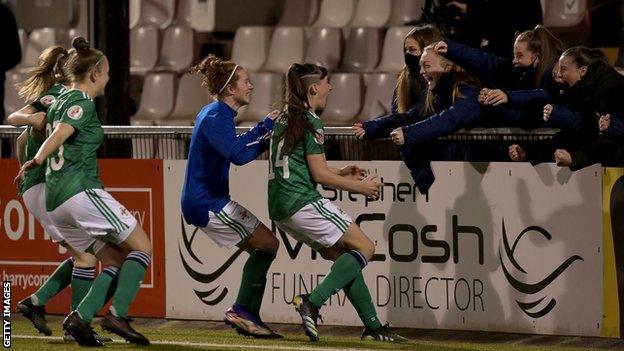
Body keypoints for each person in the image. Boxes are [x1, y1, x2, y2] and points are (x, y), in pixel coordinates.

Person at [17, 37, 152, 346]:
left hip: (56, 200)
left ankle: (80, 318)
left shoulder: (57, 100)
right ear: (94, 74)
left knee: (112, 260)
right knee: (142, 246)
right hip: (78, 190)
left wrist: (29, 159)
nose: (108, 78)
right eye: (106, 72)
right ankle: (117, 314)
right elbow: (63, 132)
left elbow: (28, 135)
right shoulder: (79, 102)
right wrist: (37, 159)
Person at [268, 63, 407, 343]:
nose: (330, 88)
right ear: (313, 88)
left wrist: (341, 173)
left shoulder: (284, 118)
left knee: (345, 258)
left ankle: (373, 326)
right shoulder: (311, 121)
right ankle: (312, 301)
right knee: (366, 247)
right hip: (301, 200)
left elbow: (306, 168)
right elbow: (319, 175)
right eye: (327, 82)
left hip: (281, 207)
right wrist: (361, 187)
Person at [8, 45, 110, 343]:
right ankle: (76, 328)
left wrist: (24, 163)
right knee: (88, 258)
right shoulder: (63, 97)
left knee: (87, 253)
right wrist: (33, 123)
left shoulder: (60, 97)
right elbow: (18, 120)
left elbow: (20, 137)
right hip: (47, 188)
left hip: (39, 188)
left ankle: (37, 302)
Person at [180, 54, 282, 339]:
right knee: (268, 243)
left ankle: (248, 315)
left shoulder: (216, 113)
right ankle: (241, 311)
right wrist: (266, 131)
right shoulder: (215, 116)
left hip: (206, 199)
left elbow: (235, 146)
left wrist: (263, 130)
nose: (251, 86)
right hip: (207, 202)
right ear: (231, 89)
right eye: (246, 81)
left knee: (264, 246)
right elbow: (238, 155)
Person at [352, 24, 443, 194]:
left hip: (444, 157)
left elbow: (417, 115)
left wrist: (374, 127)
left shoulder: (439, 79)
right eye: (405, 50)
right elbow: (398, 116)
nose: (408, 54)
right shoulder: (404, 80)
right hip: (414, 160)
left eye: (412, 49)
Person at [388, 46, 486, 159]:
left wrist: (409, 133)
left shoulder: (468, 87)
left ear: (448, 67)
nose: (421, 71)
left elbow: (451, 118)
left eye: (427, 66)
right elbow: (414, 115)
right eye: (421, 66)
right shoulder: (438, 93)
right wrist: (369, 128)